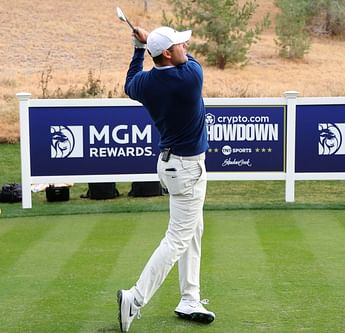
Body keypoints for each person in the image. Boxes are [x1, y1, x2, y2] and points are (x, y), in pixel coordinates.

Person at [116, 25, 214, 332]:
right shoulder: (190, 77)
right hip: (187, 169)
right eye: (179, 44)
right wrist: (146, 45)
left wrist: (137, 48)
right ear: (169, 53)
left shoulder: (146, 83)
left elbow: (130, 82)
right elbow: (189, 60)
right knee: (176, 239)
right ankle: (135, 297)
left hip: (171, 164)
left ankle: (190, 297)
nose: (186, 46)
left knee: (193, 230)